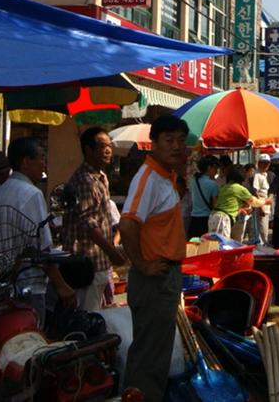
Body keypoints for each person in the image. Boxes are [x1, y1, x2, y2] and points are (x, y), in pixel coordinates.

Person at [119, 115, 190, 402]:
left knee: (156, 353)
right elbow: (127, 224)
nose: (176, 147)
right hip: (154, 278)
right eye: (169, 140)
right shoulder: (148, 177)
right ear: (154, 143)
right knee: (149, 358)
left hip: (164, 276)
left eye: (181, 141)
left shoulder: (165, 176)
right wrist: (142, 264)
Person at [0, 137, 75, 323]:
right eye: (41, 158)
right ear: (26, 162)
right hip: (28, 285)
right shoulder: (31, 194)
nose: (44, 164)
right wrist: (61, 286)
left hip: (1, 285)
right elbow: (42, 248)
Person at [61, 127, 127, 311]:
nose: (108, 150)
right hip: (86, 264)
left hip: (99, 263)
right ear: (88, 150)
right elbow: (89, 223)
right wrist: (112, 251)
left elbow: (103, 219)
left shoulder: (101, 177)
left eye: (109, 146)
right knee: (87, 314)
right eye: (102, 146)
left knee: (99, 312)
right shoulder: (84, 180)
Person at [211, 162, 259, 240]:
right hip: (227, 220)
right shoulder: (239, 188)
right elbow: (254, 202)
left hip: (215, 217)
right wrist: (266, 201)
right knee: (226, 244)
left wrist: (241, 209)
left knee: (216, 243)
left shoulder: (224, 188)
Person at [187, 155, 219, 239]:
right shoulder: (213, 184)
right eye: (215, 168)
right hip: (206, 220)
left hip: (193, 219)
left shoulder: (193, 180)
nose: (216, 171)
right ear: (209, 168)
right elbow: (215, 205)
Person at [250, 153, 273, 245]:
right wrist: (261, 206)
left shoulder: (266, 175)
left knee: (265, 230)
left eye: (267, 163)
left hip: (266, 206)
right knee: (261, 230)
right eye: (263, 163)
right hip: (260, 207)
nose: (266, 165)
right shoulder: (257, 175)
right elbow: (255, 191)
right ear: (259, 163)